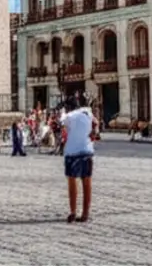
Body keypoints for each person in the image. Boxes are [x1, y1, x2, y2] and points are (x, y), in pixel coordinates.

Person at [60, 91, 97, 223]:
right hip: (87, 149)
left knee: (72, 181)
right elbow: (95, 124)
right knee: (86, 182)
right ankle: (86, 213)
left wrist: (63, 113)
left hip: (72, 152)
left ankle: (73, 211)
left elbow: (63, 127)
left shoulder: (67, 116)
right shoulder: (87, 113)